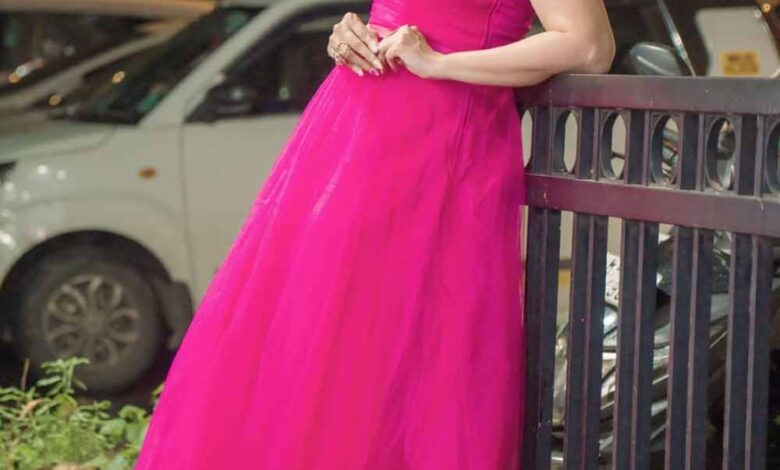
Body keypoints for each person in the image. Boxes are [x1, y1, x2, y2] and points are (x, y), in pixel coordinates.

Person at [134, 0, 614, 468]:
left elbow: (588, 46)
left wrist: (440, 64)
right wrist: (352, 33)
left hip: (438, 154)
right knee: (318, 346)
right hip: (351, 133)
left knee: (401, 362)